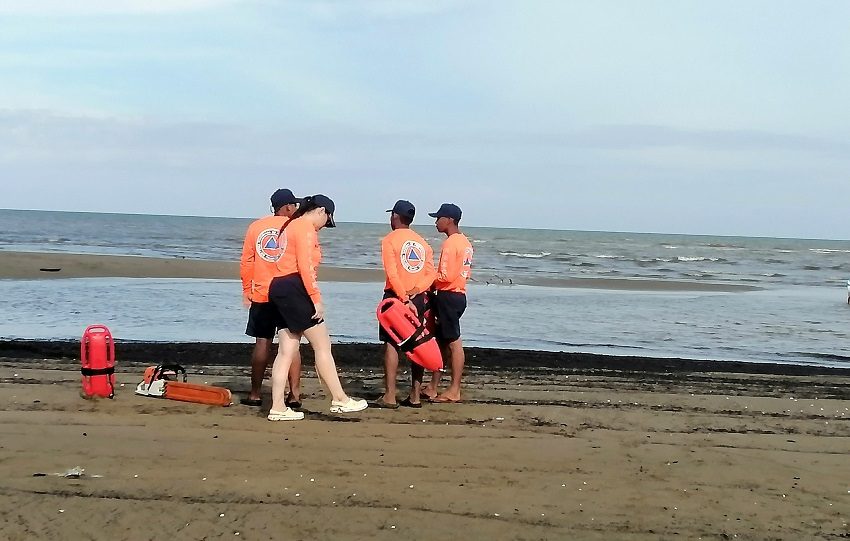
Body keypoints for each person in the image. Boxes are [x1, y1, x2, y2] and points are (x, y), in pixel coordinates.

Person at [266, 194, 368, 420]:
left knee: (287, 350)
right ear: (321, 211)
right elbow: (305, 266)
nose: (324, 227)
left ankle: (277, 407)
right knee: (322, 345)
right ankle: (340, 399)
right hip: (294, 287)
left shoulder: (290, 225)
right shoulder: (304, 228)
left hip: (279, 286)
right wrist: (316, 298)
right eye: (327, 221)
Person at [239, 188, 303, 408]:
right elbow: (306, 260)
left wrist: (247, 288)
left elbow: (247, 261)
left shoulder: (256, 227)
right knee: (292, 344)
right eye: (294, 205)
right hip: (289, 293)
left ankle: (255, 393)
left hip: (263, 291)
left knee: (262, 342)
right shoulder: (296, 227)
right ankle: (294, 394)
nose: (296, 209)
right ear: (286, 207)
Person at [374, 200, 436, 409]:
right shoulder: (422, 242)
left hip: (395, 297)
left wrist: (403, 297)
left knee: (392, 344)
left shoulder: (389, 240)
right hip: (417, 297)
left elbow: (391, 272)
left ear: (395, 217)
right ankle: (415, 395)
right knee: (417, 344)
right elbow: (430, 273)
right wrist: (416, 291)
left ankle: (390, 395)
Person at [422, 203, 473, 404]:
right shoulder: (465, 242)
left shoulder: (451, 243)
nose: (436, 222)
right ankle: (433, 386)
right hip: (457, 295)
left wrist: (425, 284)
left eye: (438, 218)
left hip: (449, 296)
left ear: (449, 220)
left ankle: (454, 390)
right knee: (441, 341)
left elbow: (445, 275)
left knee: (453, 342)